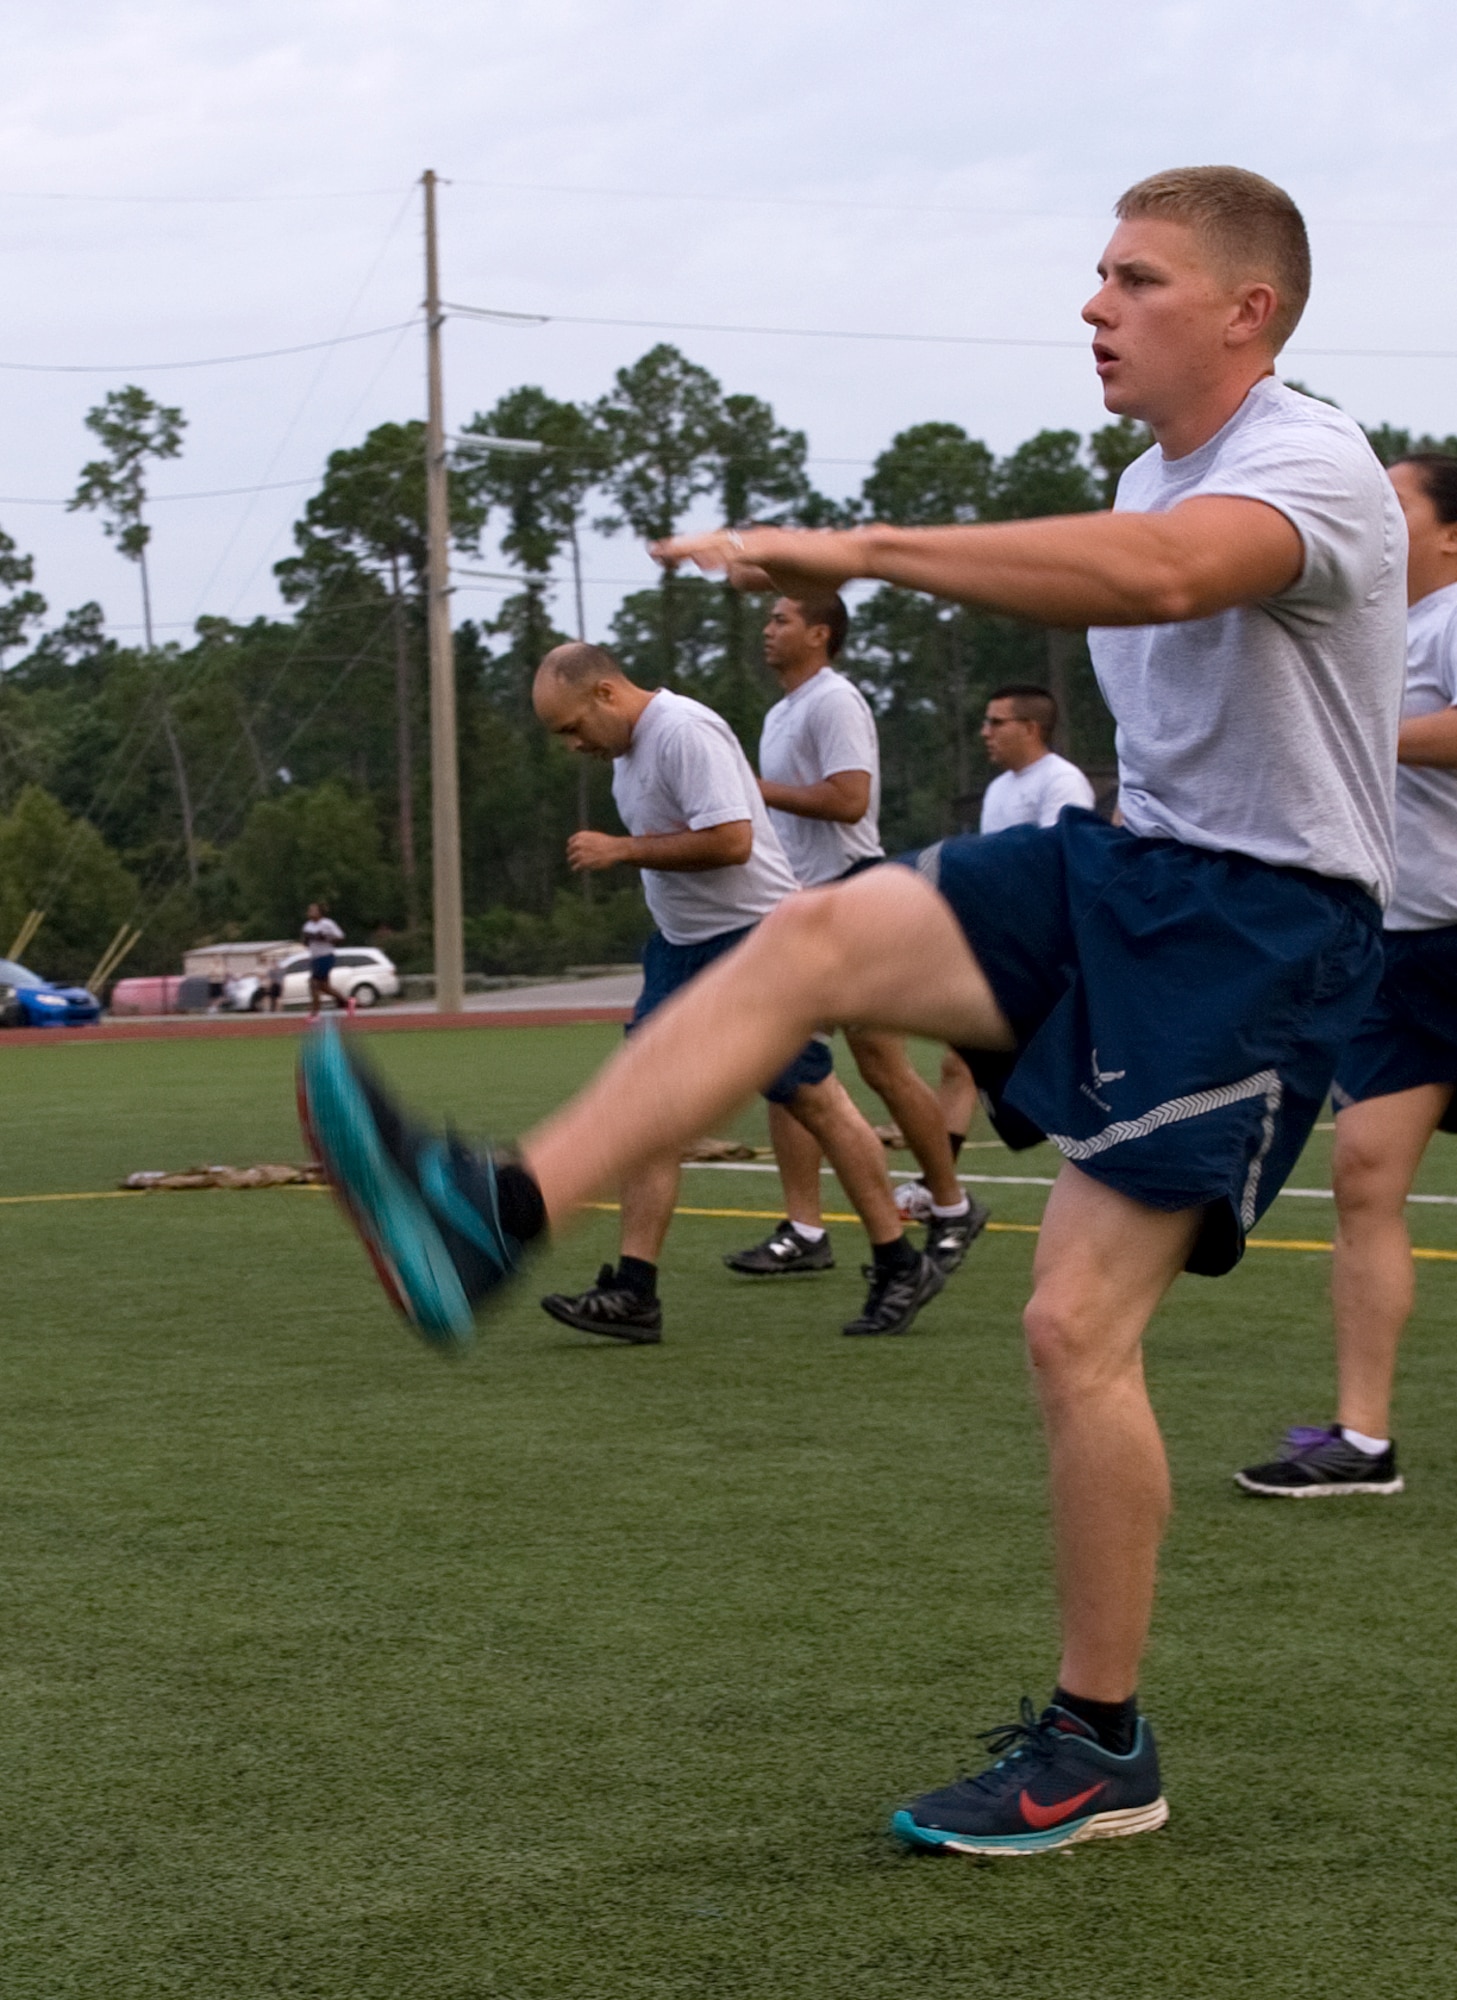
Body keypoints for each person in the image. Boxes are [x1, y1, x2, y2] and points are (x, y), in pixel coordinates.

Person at [299, 166, 1404, 1854]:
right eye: (1095, 272)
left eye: (1137, 277)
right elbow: (1142, 549)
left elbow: (1172, 575)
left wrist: (866, 550)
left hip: (1264, 932)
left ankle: (1100, 1747)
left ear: (1248, 310)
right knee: (807, 949)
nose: (1096, 303)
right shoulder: (1142, 464)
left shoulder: (1309, 463)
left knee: (1066, 1331)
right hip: (1133, 874)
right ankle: (487, 1214)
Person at [529, 642, 945, 1343]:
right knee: (647, 1105)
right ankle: (634, 1291)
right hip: (682, 952)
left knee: (814, 1101)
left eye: (571, 727)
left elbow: (731, 841)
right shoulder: (629, 752)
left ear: (605, 694)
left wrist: (623, 849)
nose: (573, 745)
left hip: (755, 943)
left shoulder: (682, 731)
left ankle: (899, 1262)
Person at [1237, 451, 1457, 1498]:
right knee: (1364, 1175)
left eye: (1396, 502)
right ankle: (1360, 1441)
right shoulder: (1377, 633)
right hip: (1399, 954)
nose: (1373, 514)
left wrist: (1355, 733)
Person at [724, 588, 988, 1278]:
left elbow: (849, 800)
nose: (767, 629)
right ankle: (805, 1229)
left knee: (881, 1066)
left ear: (819, 632)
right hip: (798, 900)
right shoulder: (784, 710)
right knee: (790, 1070)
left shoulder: (833, 700)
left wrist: (756, 791)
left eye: (780, 619)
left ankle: (951, 1206)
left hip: (847, 891)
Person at [896, 685, 1095, 1221]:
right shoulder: (999, 789)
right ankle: (938, 1185)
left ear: (1031, 728)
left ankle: (943, 1186)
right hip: (1004, 946)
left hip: (1050, 953)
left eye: (996, 722)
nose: (985, 732)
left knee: (1064, 1067)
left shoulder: (1061, 782)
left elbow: (1065, 867)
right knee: (960, 1060)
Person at [302, 903, 344, 1017]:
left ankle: (314, 1013)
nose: (310, 912)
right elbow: (306, 943)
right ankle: (346, 1001)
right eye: (309, 910)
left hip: (326, 956)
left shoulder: (327, 923)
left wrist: (325, 937)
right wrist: (307, 938)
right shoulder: (307, 925)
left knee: (313, 983)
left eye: (313, 910)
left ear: (320, 912)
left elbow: (340, 937)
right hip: (315, 957)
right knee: (324, 987)